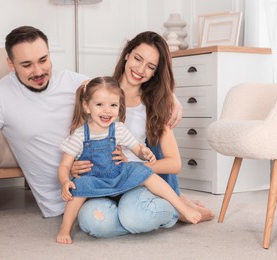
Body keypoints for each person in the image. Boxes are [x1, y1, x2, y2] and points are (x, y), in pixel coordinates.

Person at [0, 27, 201, 235]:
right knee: (96, 224)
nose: (38, 70)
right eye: (26, 64)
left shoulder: (77, 83)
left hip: (106, 179)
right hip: (74, 193)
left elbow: (119, 91)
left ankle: (165, 207)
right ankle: (162, 206)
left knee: (133, 215)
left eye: (43, 59)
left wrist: (170, 97)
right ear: (10, 64)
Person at [73, 31, 215, 238]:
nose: (140, 70)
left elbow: (174, 163)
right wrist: (75, 164)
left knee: (134, 217)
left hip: (137, 183)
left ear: (156, 73)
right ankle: (169, 205)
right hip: (102, 181)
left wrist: (134, 168)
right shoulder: (95, 91)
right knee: (91, 221)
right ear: (127, 55)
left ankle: (175, 210)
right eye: (138, 59)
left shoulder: (155, 105)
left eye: (150, 66)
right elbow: (77, 139)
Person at [56, 77, 202, 244]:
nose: (107, 111)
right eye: (99, 105)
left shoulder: (118, 129)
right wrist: (65, 181)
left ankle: (181, 207)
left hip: (117, 173)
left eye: (113, 105)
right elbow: (64, 165)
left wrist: (144, 153)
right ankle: (65, 228)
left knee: (144, 171)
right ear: (86, 106)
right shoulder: (80, 135)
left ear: (119, 106)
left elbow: (136, 148)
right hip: (95, 179)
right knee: (78, 188)